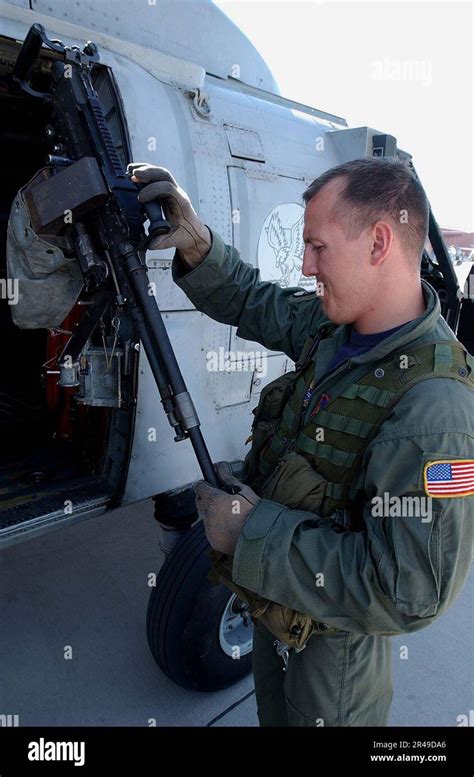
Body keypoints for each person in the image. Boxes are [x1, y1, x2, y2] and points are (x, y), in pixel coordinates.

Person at [128, 157, 474, 727]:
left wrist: (249, 531)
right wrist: (197, 242)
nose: (307, 265)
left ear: (379, 243)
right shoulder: (336, 328)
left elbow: (410, 592)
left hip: (335, 662)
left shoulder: (437, 413)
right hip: (278, 603)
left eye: (318, 248)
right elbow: (252, 301)